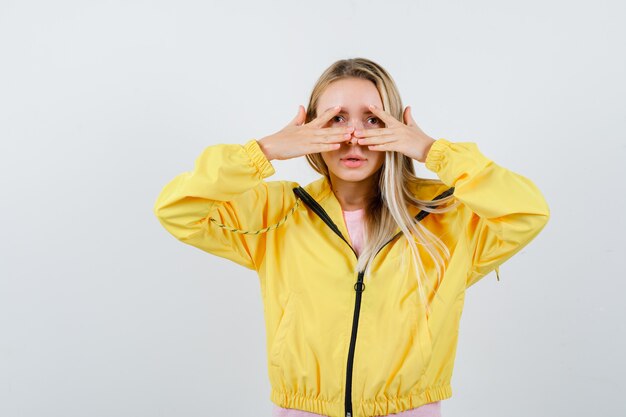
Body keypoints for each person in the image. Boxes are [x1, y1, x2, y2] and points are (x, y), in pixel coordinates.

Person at [153, 57, 550, 417]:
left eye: (373, 119)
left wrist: (432, 151)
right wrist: (265, 150)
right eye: (336, 119)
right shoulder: (280, 211)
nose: (354, 136)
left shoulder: (446, 215)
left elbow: (527, 211)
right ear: (309, 127)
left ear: (397, 126)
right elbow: (177, 209)